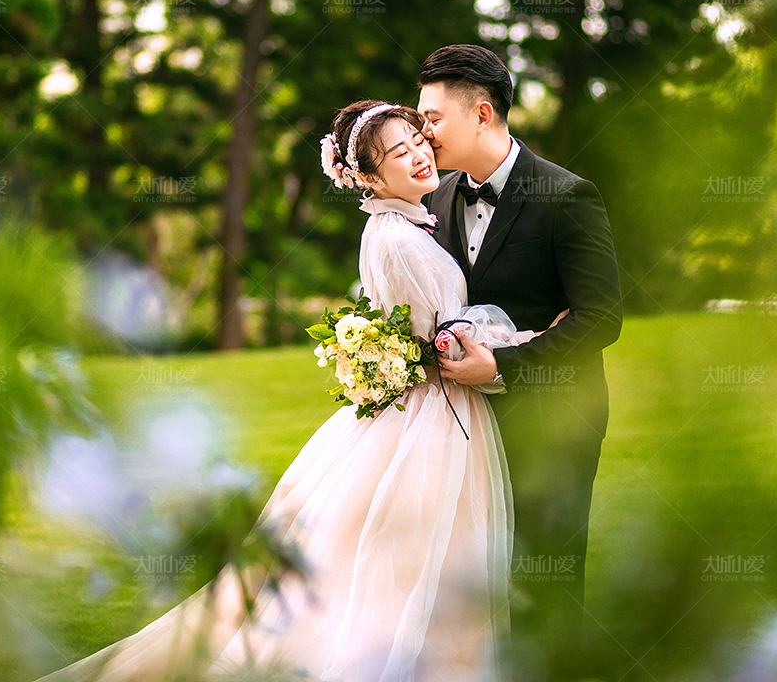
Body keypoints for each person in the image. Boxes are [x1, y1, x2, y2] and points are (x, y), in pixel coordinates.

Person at [34, 101, 543, 682]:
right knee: (424, 546)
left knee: (406, 546)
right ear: (371, 179)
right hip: (432, 411)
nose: (419, 155)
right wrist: (523, 338)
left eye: (417, 142)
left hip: (422, 406)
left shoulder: (401, 225)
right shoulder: (397, 239)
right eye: (398, 153)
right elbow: (445, 341)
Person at [416, 45, 623, 672]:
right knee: (476, 578)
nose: (422, 133)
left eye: (432, 118)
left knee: (546, 574)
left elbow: (601, 317)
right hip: (466, 425)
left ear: (482, 114)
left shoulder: (567, 195)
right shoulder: (437, 199)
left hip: (554, 419)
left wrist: (506, 366)